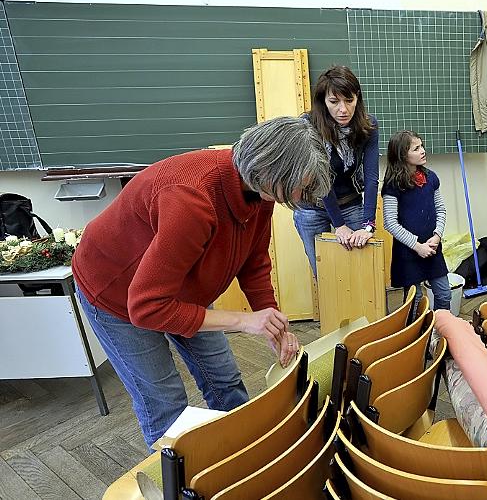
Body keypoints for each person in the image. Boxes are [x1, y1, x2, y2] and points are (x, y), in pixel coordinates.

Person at [73, 116, 332, 449]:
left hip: (180, 290)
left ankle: (243, 458)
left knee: (225, 380)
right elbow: (146, 307)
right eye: (300, 186)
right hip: (116, 296)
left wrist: (272, 324)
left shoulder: (259, 192)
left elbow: (254, 264)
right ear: (269, 171)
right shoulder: (192, 200)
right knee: (167, 404)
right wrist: (243, 320)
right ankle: (180, 485)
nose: (303, 195)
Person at [294, 65, 379, 276]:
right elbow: (321, 181)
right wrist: (339, 226)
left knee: (362, 269)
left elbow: (371, 178)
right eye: (334, 102)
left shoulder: (368, 125)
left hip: (349, 202)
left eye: (349, 100)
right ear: (323, 101)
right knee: (324, 273)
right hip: (311, 206)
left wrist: (368, 225)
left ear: (357, 98)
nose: (343, 110)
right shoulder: (307, 127)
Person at [382, 130, 451, 311]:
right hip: (409, 252)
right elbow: (390, 223)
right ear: (402, 155)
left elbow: (441, 210)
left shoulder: (431, 178)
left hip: (433, 248)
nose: (422, 151)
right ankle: (417, 335)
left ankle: (440, 331)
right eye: (416, 148)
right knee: (415, 300)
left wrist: (437, 236)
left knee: (444, 293)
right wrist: (417, 246)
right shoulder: (393, 184)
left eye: (421, 146)